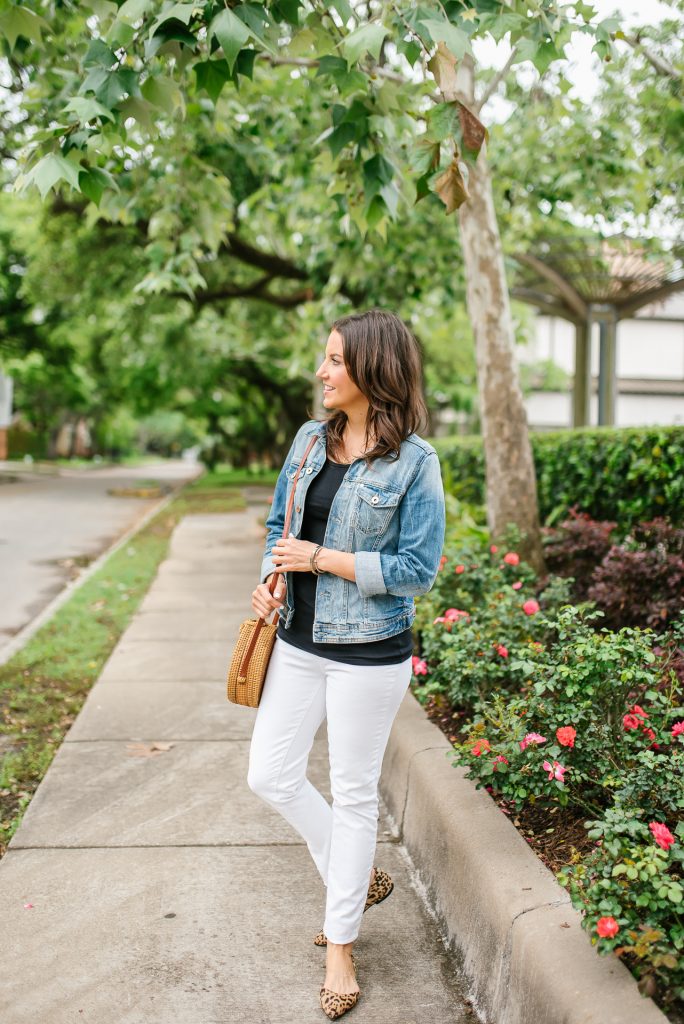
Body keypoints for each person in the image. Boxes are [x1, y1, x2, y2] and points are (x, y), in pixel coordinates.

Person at [247, 308, 446, 1020]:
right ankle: (355, 876)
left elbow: (419, 570)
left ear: (372, 370)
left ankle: (340, 944)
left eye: (335, 360)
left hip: (370, 653)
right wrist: (272, 575)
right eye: (325, 358)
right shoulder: (308, 440)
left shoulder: (415, 463)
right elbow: (281, 526)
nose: (322, 371)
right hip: (299, 640)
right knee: (268, 773)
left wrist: (321, 560)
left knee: (355, 792)